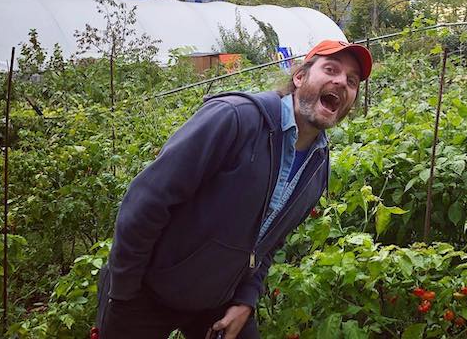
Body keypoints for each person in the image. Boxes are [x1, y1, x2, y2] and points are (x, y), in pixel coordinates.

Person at [96, 40, 372, 339]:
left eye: (352, 80)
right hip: (145, 291)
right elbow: (146, 202)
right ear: (299, 77)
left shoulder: (317, 166)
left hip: (217, 299)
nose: (341, 82)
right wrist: (123, 294)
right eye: (330, 69)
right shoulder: (235, 118)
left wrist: (246, 300)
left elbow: (269, 242)